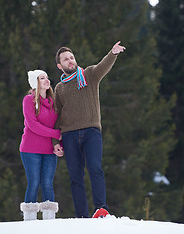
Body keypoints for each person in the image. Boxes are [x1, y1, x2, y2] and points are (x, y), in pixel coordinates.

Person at [52, 41, 126, 218]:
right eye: (66, 59)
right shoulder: (59, 88)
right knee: (75, 177)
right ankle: (81, 215)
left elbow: (103, 66)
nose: (70, 61)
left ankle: (101, 209)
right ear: (59, 65)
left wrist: (113, 53)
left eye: (71, 57)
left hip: (91, 132)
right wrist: (56, 141)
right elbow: (56, 116)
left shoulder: (89, 75)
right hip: (69, 135)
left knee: (95, 167)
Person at [19, 70, 63, 221]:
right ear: (35, 83)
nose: (46, 80)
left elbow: (58, 123)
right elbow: (33, 125)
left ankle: (49, 221)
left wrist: (59, 144)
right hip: (30, 149)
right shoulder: (28, 100)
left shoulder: (53, 102)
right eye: (41, 78)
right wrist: (56, 134)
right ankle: (30, 221)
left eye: (47, 77)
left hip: (49, 150)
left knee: (47, 183)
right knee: (34, 182)